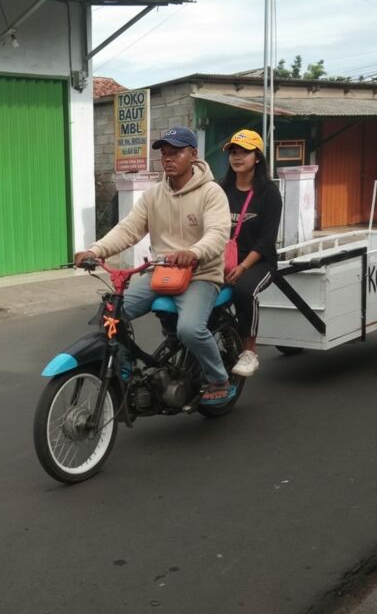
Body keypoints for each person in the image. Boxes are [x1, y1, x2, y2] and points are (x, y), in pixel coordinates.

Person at [74, 126, 235, 405]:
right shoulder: (153, 196)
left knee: (189, 329)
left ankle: (219, 378)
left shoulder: (211, 193)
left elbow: (218, 234)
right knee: (111, 315)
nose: (168, 158)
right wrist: (95, 250)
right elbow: (128, 229)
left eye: (176, 152)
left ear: (193, 154)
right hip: (162, 273)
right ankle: (125, 369)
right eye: (164, 153)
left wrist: (193, 252)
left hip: (201, 274)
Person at [220, 129, 282, 377]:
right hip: (223, 260)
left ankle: (250, 351)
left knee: (244, 290)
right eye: (233, 152)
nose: (237, 157)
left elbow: (266, 240)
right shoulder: (221, 189)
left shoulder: (269, 192)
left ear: (257, 158)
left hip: (258, 262)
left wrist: (243, 266)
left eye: (244, 152)